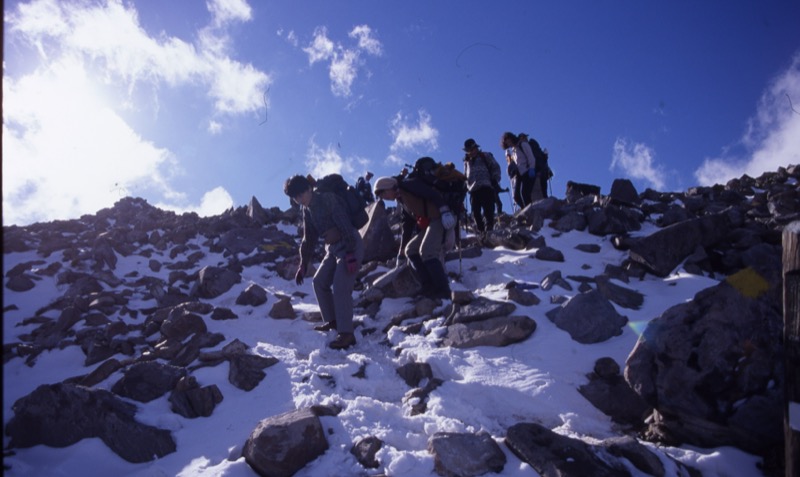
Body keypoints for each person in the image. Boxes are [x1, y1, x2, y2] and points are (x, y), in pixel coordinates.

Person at [283, 174, 364, 350]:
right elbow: (308, 239)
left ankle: (346, 334)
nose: (299, 200)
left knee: (341, 285)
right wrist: (303, 264)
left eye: (300, 194)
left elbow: (344, 223)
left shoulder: (327, 199)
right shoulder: (307, 211)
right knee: (319, 282)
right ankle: (333, 321)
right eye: (295, 198)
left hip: (350, 244)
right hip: (333, 249)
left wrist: (350, 253)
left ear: (308, 189)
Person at [373, 175, 457, 300]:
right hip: (432, 222)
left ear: (389, 187)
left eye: (383, 193)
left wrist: (444, 210)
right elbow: (407, 224)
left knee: (428, 252)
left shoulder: (408, 185)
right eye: (381, 196)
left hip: (441, 217)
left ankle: (443, 290)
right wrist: (401, 251)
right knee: (410, 250)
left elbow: (431, 194)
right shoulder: (401, 199)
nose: (384, 198)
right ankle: (428, 286)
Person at [462, 138, 502, 235]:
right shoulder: (467, 162)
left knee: (488, 210)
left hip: (486, 186)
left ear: (476, 148)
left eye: (471, 149)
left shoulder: (485, 156)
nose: (470, 152)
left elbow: (496, 167)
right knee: (475, 213)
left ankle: (489, 229)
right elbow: (466, 176)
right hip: (473, 190)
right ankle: (481, 232)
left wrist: (495, 180)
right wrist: (465, 186)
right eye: (468, 150)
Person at [501, 132, 534, 208]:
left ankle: (530, 210)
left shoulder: (522, 145)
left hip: (527, 171)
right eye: (507, 143)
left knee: (525, 193)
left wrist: (532, 168)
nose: (509, 144)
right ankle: (525, 209)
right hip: (519, 174)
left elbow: (530, 157)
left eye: (509, 141)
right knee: (516, 196)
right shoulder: (513, 150)